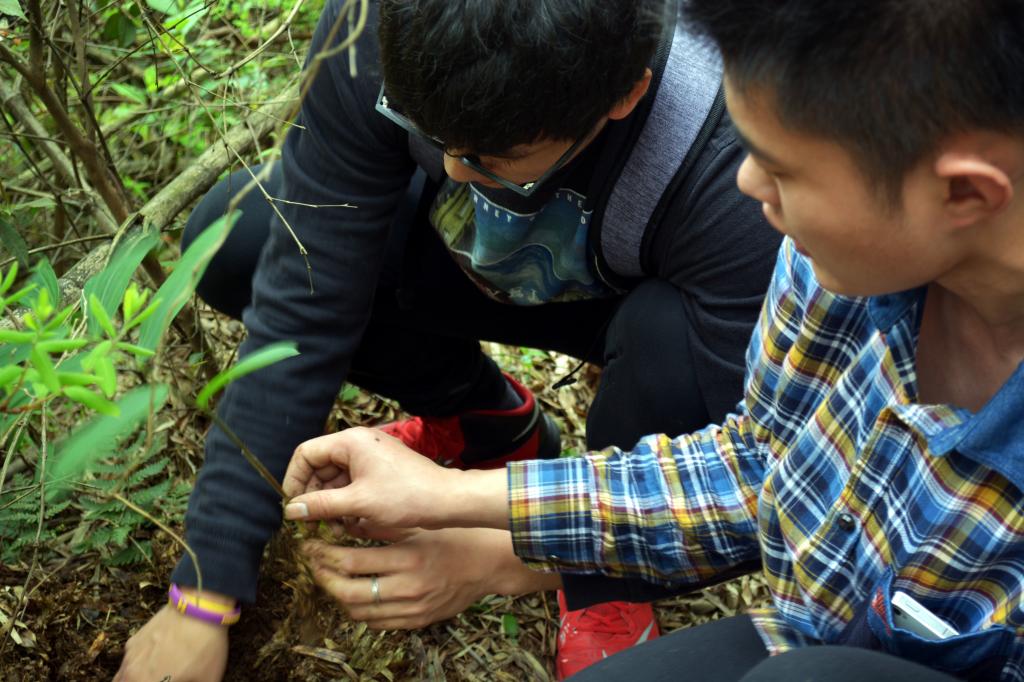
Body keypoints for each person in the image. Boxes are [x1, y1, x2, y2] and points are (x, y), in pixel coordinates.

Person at [277, 0, 1024, 679]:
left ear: (964, 193)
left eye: (783, 170)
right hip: (805, 631)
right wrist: (457, 502)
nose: (747, 186)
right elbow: (759, 462)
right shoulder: (847, 264)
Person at [115, 0, 781, 679]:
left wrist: (543, 557)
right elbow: (304, 291)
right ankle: (488, 423)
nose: (455, 169)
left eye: (494, 157)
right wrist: (203, 591)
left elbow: (768, 473)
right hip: (466, 258)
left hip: (638, 303)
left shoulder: (740, 162)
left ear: (625, 94)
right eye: (433, 137)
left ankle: (605, 584)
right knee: (244, 242)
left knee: (668, 349)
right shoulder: (380, 25)